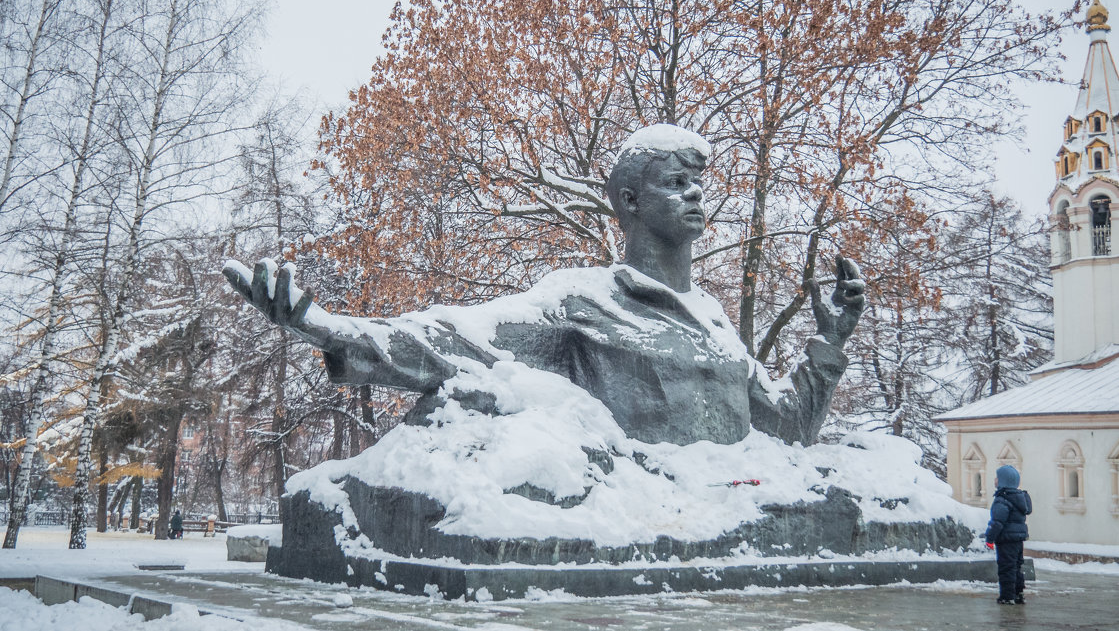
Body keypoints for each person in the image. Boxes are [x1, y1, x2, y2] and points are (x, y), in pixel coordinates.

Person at [223, 125, 865, 447]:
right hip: (637, 545)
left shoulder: (716, 320)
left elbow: (789, 428)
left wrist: (829, 344)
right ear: (632, 203)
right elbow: (457, 337)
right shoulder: (581, 300)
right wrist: (330, 328)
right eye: (676, 183)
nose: (695, 195)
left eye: (699, 185)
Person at [985, 464, 1032, 605]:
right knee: (1016, 567)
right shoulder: (1020, 498)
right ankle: (1018, 594)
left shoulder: (1002, 499)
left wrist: (990, 538)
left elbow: (997, 522)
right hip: (1018, 539)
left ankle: (1007, 596)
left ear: (1003, 481)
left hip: (1006, 540)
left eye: (997, 478)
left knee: (1006, 568)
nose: (995, 480)